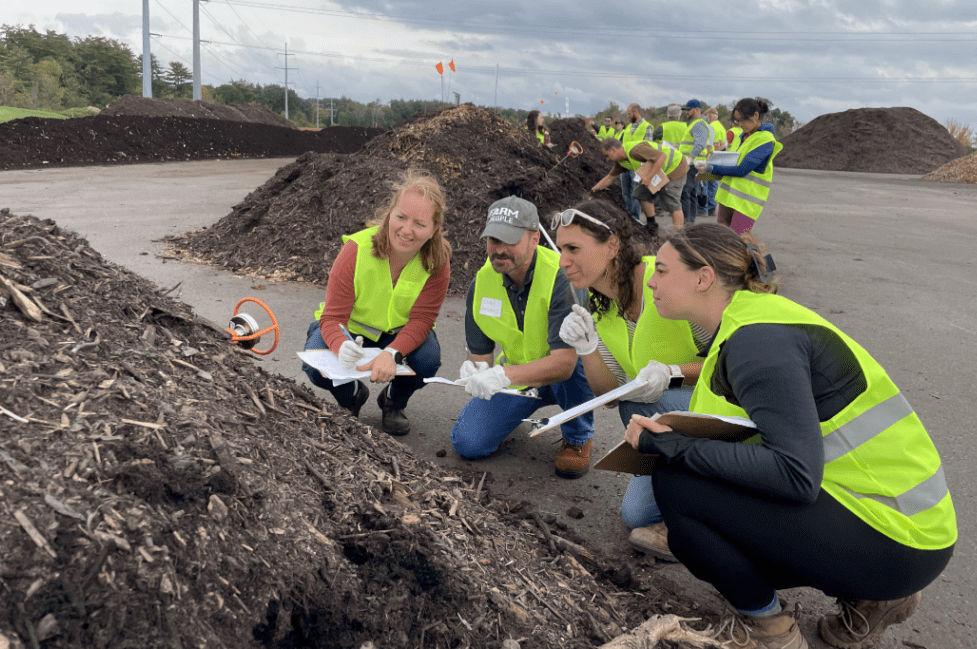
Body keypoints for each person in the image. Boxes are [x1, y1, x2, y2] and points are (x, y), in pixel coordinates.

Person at [625, 224, 956, 649]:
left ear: (703, 278)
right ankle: (871, 596)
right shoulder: (753, 322)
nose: (651, 279)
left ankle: (770, 630)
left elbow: (795, 475)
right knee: (698, 486)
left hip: (898, 540)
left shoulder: (757, 344)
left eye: (664, 270)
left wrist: (677, 447)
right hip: (900, 525)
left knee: (680, 487)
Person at [552, 198, 706, 559]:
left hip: (721, 411)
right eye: (560, 249)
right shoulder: (600, 307)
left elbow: (732, 359)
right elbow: (609, 396)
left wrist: (673, 374)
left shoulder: (667, 280)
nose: (562, 261)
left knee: (641, 401)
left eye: (574, 248)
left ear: (612, 245)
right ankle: (695, 495)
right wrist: (587, 346)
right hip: (671, 424)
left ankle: (714, 504)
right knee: (637, 515)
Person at [451, 196, 597, 478]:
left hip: (564, 374)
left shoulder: (561, 277)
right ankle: (519, 408)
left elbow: (564, 364)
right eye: (493, 240)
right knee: (468, 443)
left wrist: (502, 376)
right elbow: (481, 354)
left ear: (535, 239)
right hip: (519, 375)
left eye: (510, 241)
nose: (499, 250)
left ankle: (578, 437)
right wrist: (479, 372)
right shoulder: (481, 283)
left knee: (578, 364)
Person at [301, 169, 451, 436]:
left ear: (434, 230)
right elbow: (332, 317)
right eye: (401, 217)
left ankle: (393, 401)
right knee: (315, 363)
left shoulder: (437, 262)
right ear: (390, 214)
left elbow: (422, 320)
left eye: (420, 223)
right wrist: (340, 343)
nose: (406, 230)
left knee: (427, 360)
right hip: (350, 333)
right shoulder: (356, 250)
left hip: (397, 338)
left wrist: (392, 353)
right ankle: (352, 397)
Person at [707, 98, 784, 235]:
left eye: (743, 120)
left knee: (737, 244)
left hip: (746, 204)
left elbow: (742, 169)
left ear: (755, 116)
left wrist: (712, 169)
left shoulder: (765, 139)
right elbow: (734, 159)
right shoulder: (742, 136)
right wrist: (721, 153)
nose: (740, 124)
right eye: (737, 121)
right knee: (722, 241)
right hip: (727, 198)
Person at [592, 134, 687, 233]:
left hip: (675, 165)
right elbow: (609, 178)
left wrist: (649, 178)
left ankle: (680, 235)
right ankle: (652, 226)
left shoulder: (635, 150)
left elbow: (662, 156)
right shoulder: (622, 161)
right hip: (660, 170)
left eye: (607, 155)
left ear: (613, 150)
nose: (607, 159)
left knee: (671, 201)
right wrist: (592, 191)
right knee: (641, 194)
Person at [678, 99, 712, 226]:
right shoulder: (696, 124)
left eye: (688, 109)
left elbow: (700, 143)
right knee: (691, 192)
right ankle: (689, 222)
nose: (686, 112)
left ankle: (686, 222)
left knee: (685, 192)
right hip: (695, 164)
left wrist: (689, 158)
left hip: (692, 164)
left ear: (697, 109)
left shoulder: (699, 124)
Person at [701, 107, 728, 217]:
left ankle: (704, 208)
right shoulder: (722, 127)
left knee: (705, 183)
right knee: (714, 183)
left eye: (706, 117)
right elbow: (725, 145)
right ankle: (712, 207)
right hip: (719, 158)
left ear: (710, 116)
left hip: (710, 157)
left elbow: (707, 144)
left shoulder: (710, 127)